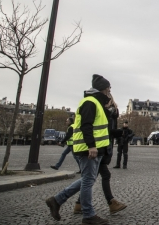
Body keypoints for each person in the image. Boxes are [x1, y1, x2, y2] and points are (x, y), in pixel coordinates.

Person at [45, 74, 114, 225]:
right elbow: (86, 126)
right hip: (88, 148)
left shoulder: (95, 102)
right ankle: (88, 215)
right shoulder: (90, 102)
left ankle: (57, 200)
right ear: (103, 89)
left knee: (87, 179)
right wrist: (92, 146)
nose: (110, 90)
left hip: (94, 148)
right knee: (88, 180)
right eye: (108, 88)